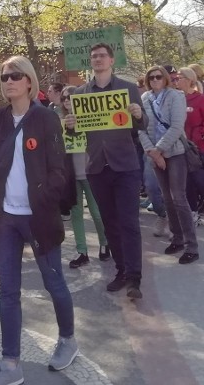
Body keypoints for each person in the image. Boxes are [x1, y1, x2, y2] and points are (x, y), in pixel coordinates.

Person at [0, 56, 76, 385]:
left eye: (16, 75)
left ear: (29, 81)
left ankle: (67, 339)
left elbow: (58, 171)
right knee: (8, 292)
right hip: (5, 218)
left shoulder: (46, 118)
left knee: (54, 284)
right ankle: (10, 364)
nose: (9, 80)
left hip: (38, 217)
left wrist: (43, 200)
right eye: (5, 75)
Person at [66, 43, 146, 297]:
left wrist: (138, 113)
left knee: (129, 222)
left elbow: (142, 125)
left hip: (125, 165)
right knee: (110, 223)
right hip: (97, 167)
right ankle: (121, 270)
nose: (98, 59)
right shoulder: (80, 93)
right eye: (94, 56)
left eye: (102, 56)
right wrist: (69, 125)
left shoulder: (128, 89)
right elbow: (78, 131)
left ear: (112, 60)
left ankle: (135, 278)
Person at [139, 66, 199, 262]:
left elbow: (176, 126)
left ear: (165, 79)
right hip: (155, 155)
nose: (155, 80)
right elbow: (140, 129)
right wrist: (153, 153)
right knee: (166, 198)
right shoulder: (145, 98)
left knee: (178, 197)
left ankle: (192, 245)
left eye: (158, 76)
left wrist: (159, 150)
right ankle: (177, 237)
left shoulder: (175, 96)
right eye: (151, 77)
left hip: (175, 153)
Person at [60, 85, 109, 267]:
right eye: (64, 98)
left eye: (70, 97)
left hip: (90, 172)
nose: (66, 100)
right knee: (76, 213)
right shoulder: (61, 122)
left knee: (97, 212)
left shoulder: (91, 119)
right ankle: (82, 251)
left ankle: (105, 244)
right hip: (71, 175)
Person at [174, 68, 204, 227]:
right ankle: (193, 212)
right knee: (187, 183)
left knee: (200, 179)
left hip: (199, 147)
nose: (176, 81)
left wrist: (200, 135)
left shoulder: (200, 99)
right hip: (181, 147)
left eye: (179, 78)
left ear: (188, 80)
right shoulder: (176, 98)